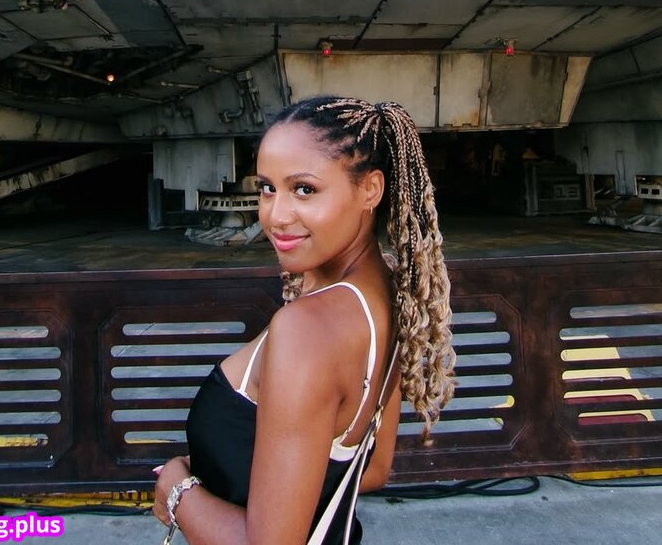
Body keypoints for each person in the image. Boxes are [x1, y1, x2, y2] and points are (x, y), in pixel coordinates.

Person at [153, 95, 455, 544]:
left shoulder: (309, 330)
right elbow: (371, 468)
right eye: (266, 188)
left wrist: (177, 491)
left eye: (304, 190)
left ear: (370, 190)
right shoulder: (387, 296)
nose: (275, 216)